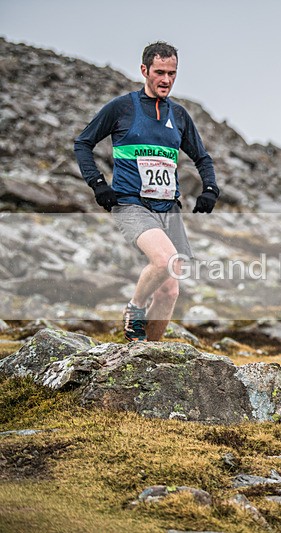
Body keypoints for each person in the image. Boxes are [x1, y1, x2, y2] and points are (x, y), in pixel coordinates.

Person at [74, 41, 220, 342]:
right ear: (144, 70)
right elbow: (83, 143)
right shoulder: (122, 108)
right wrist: (98, 184)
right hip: (131, 204)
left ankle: (146, 355)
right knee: (164, 260)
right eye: (159, 72)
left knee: (170, 290)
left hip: (168, 207)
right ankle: (134, 307)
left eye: (172, 73)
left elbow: (202, 157)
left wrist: (210, 187)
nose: (166, 80)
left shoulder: (178, 115)